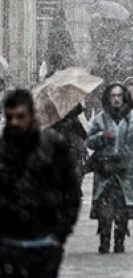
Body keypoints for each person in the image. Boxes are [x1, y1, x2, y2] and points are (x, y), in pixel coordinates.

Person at [0, 90, 81, 277]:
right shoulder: (3, 151)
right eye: (10, 117)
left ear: (31, 115)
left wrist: (59, 235)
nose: (15, 122)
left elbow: (71, 193)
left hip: (43, 245)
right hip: (8, 246)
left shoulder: (52, 146)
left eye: (20, 116)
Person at [86, 83, 133, 254]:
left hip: (126, 172)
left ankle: (120, 241)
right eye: (113, 96)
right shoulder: (100, 119)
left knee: (123, 210)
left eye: (119, 95)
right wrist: (102, 137)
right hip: (105, 172)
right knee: (105, 210)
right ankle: (104, 240)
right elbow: (89, 141)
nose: (116, 99)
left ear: (124, 97)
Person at [45, 9, 77, 77]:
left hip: (54, 52)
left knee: (55, 69)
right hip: (60, 52)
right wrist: (72, 50)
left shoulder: (53, 26)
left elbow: (50, 41)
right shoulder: (62, 25)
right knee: (63, 69)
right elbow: (67, 39)